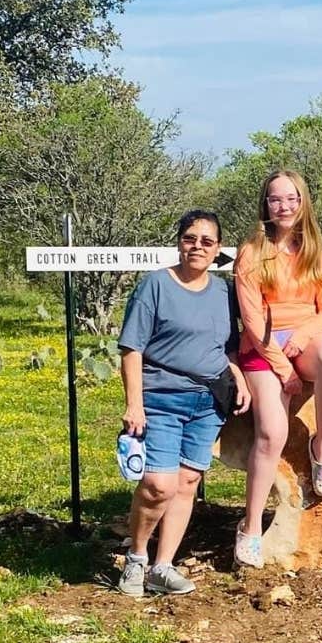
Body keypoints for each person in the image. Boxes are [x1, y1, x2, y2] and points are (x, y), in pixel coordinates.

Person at [117, 210, 250, 596]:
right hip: (160, 397)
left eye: (207, 242)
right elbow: (131, 348)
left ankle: (163, 566)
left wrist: (237, 374)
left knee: (187, 482)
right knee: (159, 484)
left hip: (207, 401)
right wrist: (134, 404)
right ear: (179, 242)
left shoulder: (223, 292)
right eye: (191, 238)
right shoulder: (156, 285)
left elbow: (226, 345)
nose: (198, 247)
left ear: (218, 249)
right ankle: (137, 558)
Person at [233, 170, 322, 568]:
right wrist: (285, 371)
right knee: (272, 432)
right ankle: (249, 526)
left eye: (291, 199)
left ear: (303, 203)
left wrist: (303, 337)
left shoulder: (314, 249)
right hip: (263, 347)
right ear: (265, 205)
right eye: (275, 199)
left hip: (303, 337)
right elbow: (252, 322)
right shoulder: (251, 252)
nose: (283, 206)